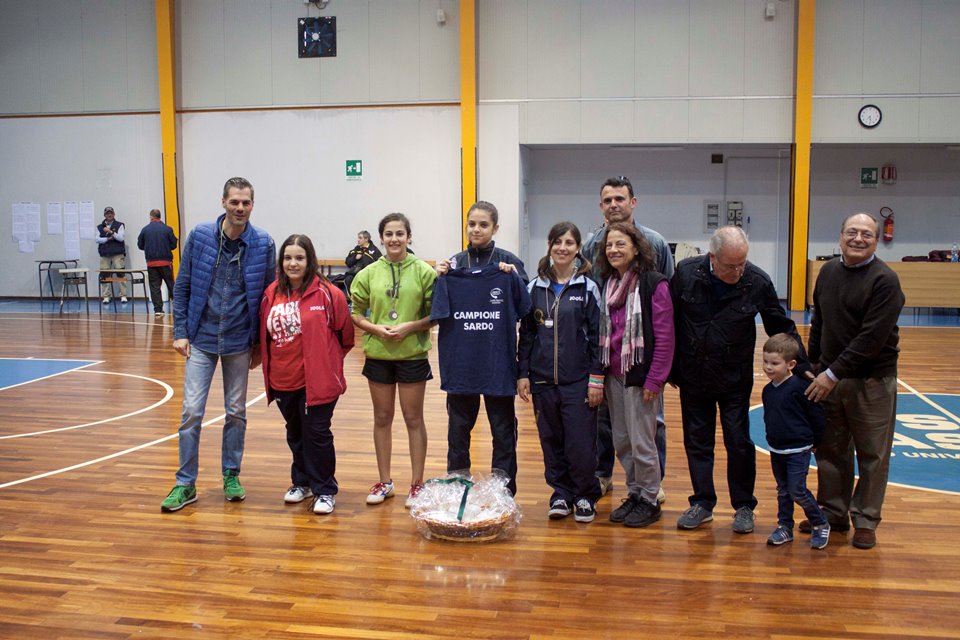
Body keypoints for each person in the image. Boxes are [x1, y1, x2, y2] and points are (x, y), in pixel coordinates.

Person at [671, 225, 810, 534]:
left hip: (734, 377)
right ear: (712, 257)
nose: (737, 270)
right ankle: (702, 503)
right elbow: (668, 320)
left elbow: (780, 325)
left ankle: (744, 506)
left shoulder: (756, 281)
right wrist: (668, 369)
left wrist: (802, 366)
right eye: (730, 264)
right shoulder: (686, 273)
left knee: (739, 442)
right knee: (697, 441)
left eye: (742, 263)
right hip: (693, 375)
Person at [160, 177, 276, 512]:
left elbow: (267, 297)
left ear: (252, 205)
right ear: (223, 202)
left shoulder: (263, 243)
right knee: (191, 412)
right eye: (234, 202)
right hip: (202, 339)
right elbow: (182, 287)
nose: (240, 208)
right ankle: (185, 483)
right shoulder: (199, 237)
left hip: (240, 341)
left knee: (236, 412)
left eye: (246, 203)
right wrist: (179, 331)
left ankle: (231, 474)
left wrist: (259, 345)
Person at [804, 212, 905, 550]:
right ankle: (833, 513)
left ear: (877, 241)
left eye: (866, 234)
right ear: (840, 236)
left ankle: (865, 519)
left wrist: (831, 373)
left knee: (872, 454)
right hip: (830, 376)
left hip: (871, 381)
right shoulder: (828, 271)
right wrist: (813, 363)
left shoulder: (885, 281)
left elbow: (870, 339)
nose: (858, 238)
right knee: (831, 450)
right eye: (852, 232)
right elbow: (819, 320)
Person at [581, 176, 673, 502]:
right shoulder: (591, 244)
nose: (614, 205)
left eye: (620, 199)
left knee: (650, 426)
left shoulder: (656, 243)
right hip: (608, 353)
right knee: (609, 423)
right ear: (601, 206)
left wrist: (660, 372)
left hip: (642, 360)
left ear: (633, 202)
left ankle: (651, 485)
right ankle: (604, 475)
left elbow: (664, 300)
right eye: (607, 200)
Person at [433, 201, 530, 495]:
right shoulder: (453, 265)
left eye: (483, 224)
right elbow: (435, 313)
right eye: (472, 224)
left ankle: (503, 490)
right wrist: (439, 278)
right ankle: (457, 486)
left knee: (503, 432)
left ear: (495, 228)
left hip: (497, 364)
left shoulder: (508, 263)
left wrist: (513, 276)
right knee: (458, 431)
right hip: (461, 365)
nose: (476, 229)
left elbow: (525, 307)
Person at [260, 234, 354, 516]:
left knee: (317, 434)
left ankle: (325, 489)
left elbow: (345, 335)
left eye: (299, 258)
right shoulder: (271, 293)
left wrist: (327, 364)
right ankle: (302, 482)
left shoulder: (328, 293)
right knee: (296, 433)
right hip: (282, 378)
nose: (293, 263)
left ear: (309, 260)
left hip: (317, 380)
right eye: (288, 258)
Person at [517, 222, 603, 523]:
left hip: (578, 381)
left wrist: (596, 378)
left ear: (578, 248)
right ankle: (561, 494)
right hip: (542, 381)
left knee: (579, 442)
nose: (562, 248)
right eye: (557, 242)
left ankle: (583, 495)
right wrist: (523, 373)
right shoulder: (534, 288)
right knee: (551, 440)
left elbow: (597, 337)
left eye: (569, 243)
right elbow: (527, 334)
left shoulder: (588, 288)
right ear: (550, 246)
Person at [350, 212, 437, 507]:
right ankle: (385, 481)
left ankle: (417, 484)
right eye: (389, 234)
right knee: (382, 418)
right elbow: (355, 313)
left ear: (409, 237)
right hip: (379, 354)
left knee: (414, 418)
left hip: (412, 353)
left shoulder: (425, 272)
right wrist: (376, 329)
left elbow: (434, 316)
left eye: (400, 233)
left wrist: (409, 327)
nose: (394, 239)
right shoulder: (368, 273)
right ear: (381, 238)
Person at [595, 222, 674, 528]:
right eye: (609, 245)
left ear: (637, 248)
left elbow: (665, 338)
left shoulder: (655, 283)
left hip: (641, 378)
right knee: (622, 441)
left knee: (643, 442)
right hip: (614, 375)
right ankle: (635, 492)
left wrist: (656, 379)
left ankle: (651, 499)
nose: (613, 250)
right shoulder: (608, 283)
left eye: (620, 245)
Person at [760, 333, 829, 549]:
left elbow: (816, 416)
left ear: (790, 364)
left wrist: (817, 441)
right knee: (782, 489)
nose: (768, 367)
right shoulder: (767, 390)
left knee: (797, 489)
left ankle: (820, 522)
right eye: (765, 362)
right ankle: (785, 527)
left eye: (774, 363)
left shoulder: (800, 388)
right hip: (776, 448)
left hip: (798, 448)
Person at [137, 208, 178, 317]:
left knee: (155, 286)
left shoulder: (145, 230)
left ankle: (158, 310)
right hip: (166, 262)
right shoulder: (167, 229)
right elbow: (174, 244)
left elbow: (140, 245)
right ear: (160, 216)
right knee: (171, 284)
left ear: (151, 217)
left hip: (151, 263)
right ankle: (178, 306)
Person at [96, 206, 128, 304]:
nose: (109, 215)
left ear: (114, 214)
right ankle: (106, 296)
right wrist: (107, 239)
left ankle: (123, 295)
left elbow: (121, 238)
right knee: (105, 275)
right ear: (104, 215)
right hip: (105, 254)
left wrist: (110, 232)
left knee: (120, 274)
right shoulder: (99, 227)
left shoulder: (120, 225)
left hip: (117, 254)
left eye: (111, 213)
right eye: (107, 213)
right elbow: (97, 239)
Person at [343, 230, 382, 296]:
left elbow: (380, 264)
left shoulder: (374, 250)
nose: (358, 240)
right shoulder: (355, 250)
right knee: (348, 279)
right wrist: (355, 258)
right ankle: (353, 300)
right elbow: (348, 262)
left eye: (360, 238)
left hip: (369, 275)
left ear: (366, 239)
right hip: (355, 274)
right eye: (358, 238)